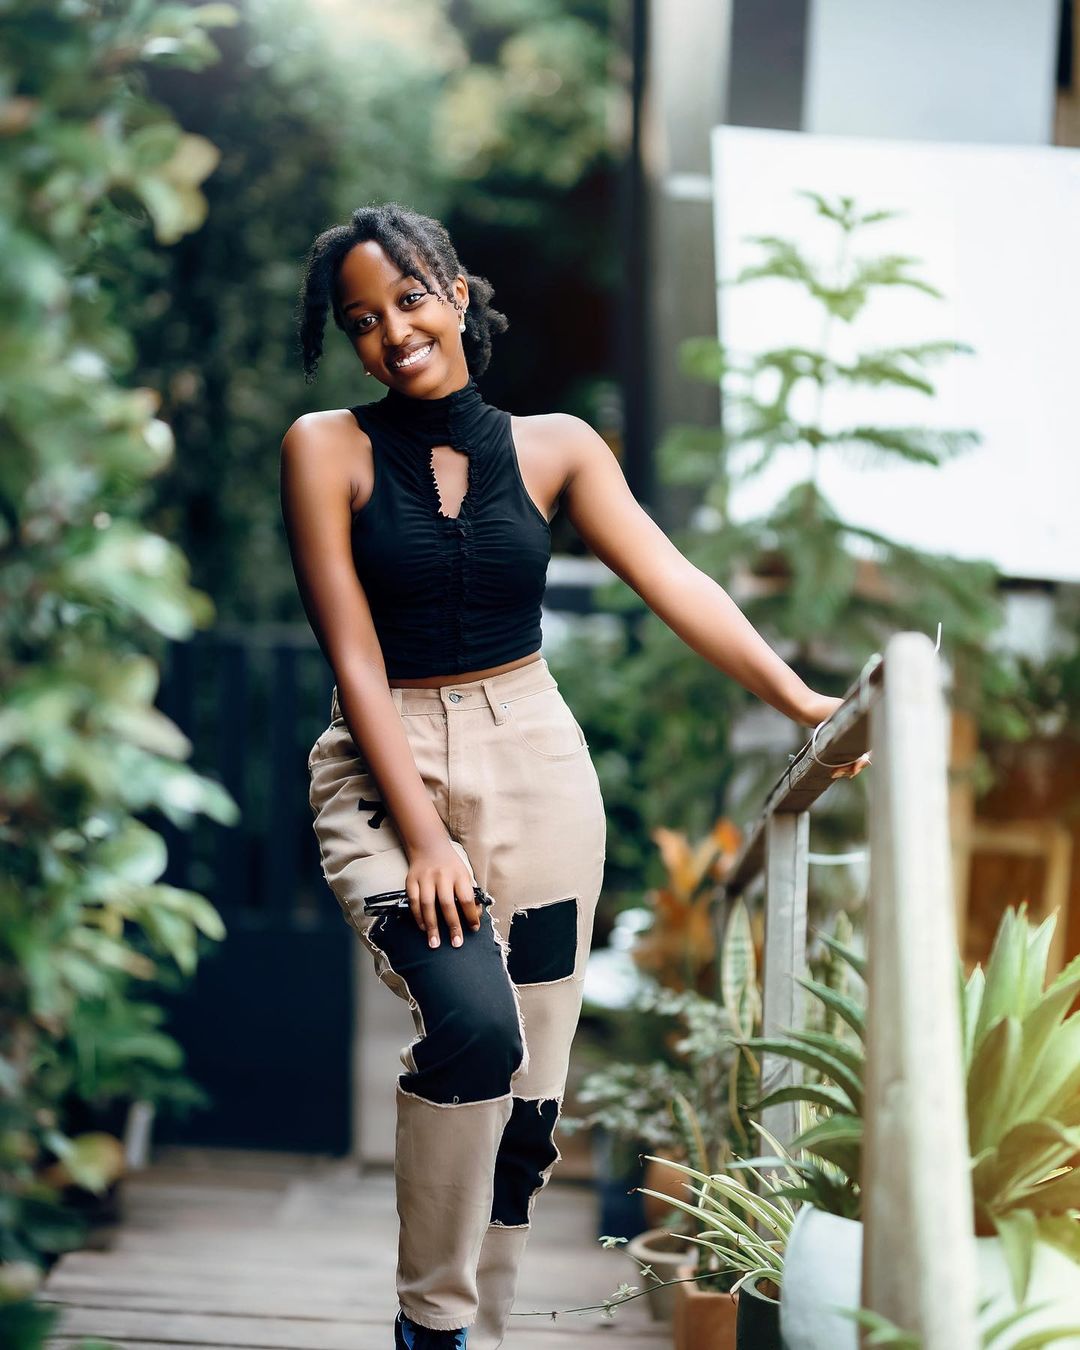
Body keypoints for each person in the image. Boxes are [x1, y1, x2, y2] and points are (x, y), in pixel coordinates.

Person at [280, 202, 869, 1350]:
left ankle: (482, 1322)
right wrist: (426, 837)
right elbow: (351, 654)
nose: (392, 331)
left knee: (534, 1090)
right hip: (385, 766)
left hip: (538, 764)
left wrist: (799, 700)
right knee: (474, 1027)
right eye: (362, 319)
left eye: (409, 299)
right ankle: (432, 1322)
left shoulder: (559, 447)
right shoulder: (324, 448)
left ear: (456, 293)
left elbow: (674, 577)